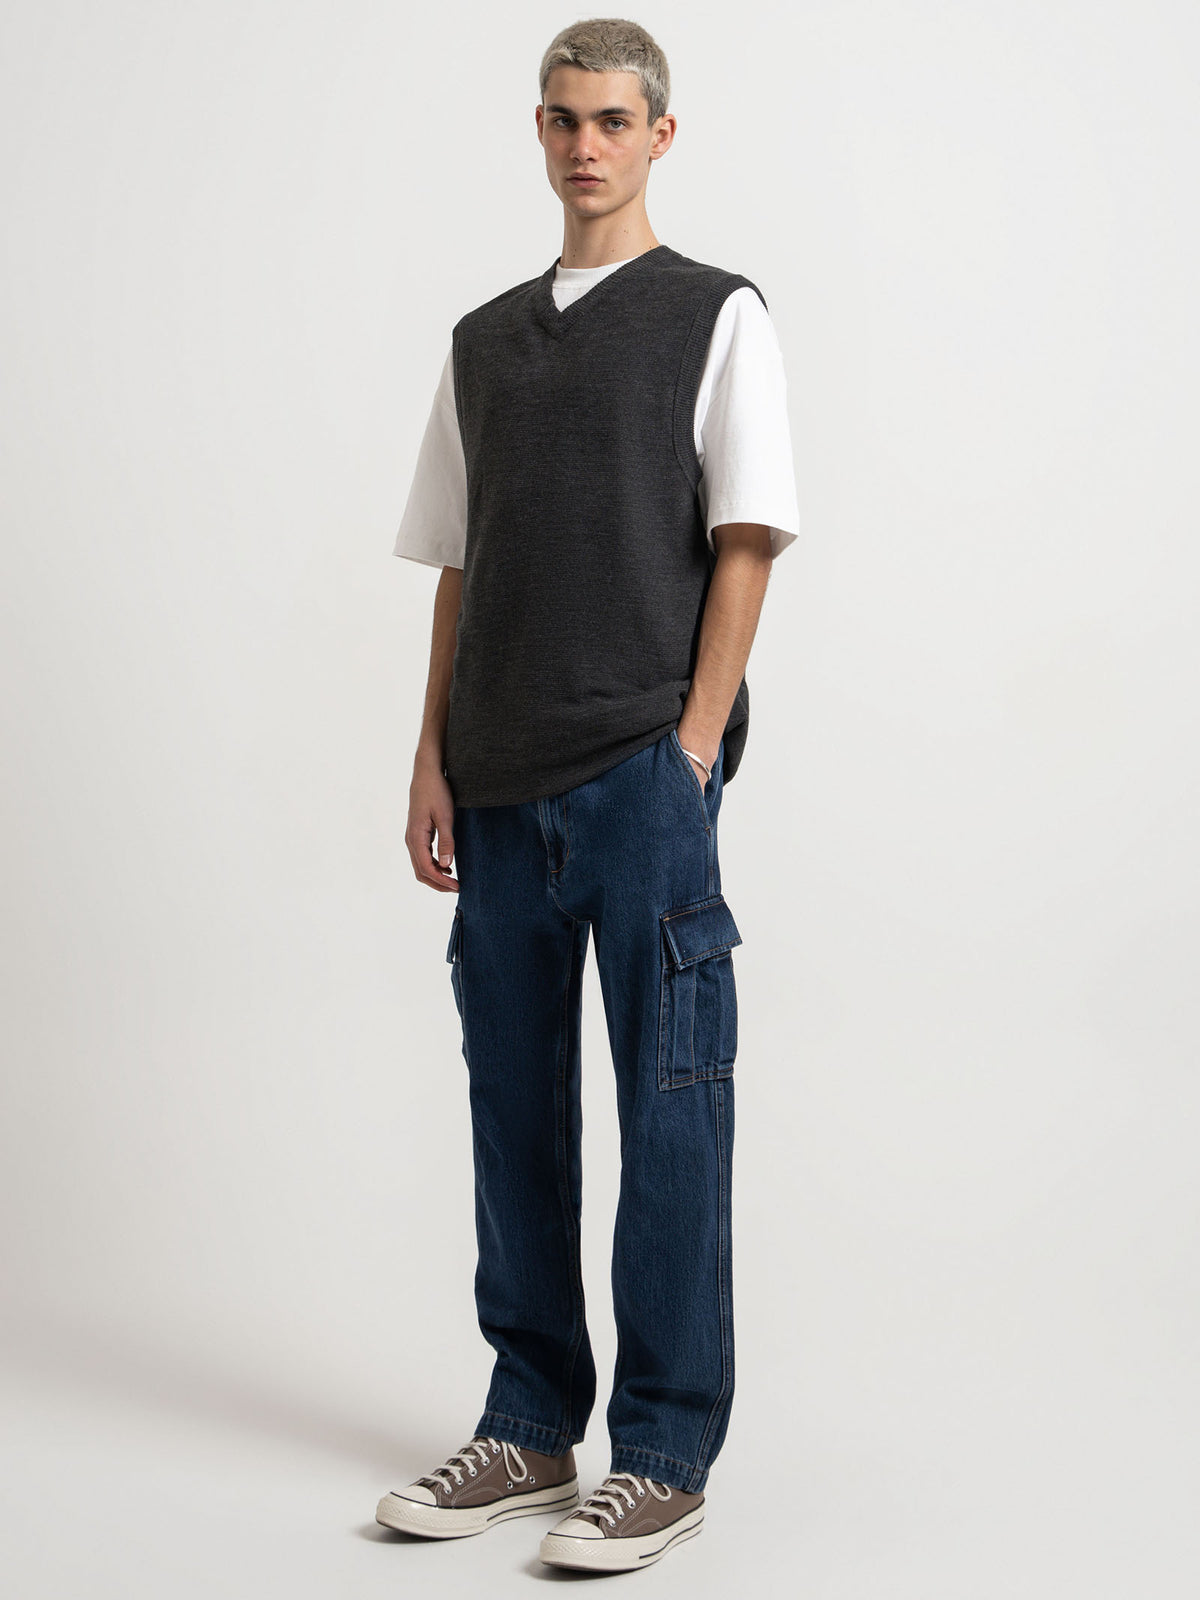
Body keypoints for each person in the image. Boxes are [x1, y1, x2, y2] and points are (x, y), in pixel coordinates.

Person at [375, 17, 799, 1574]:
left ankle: (665, 1452)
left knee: (671, 1112)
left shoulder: (715, 313)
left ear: (659, 134)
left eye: (613, 120)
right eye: (562, 119)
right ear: (538, 129)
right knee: (514, 1110)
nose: (585, 146)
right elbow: (461, 560)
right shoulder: (482, 342)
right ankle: (530, 1422)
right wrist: (430, 752)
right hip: (494, 777)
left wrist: (690, 745)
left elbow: (748, 539)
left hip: (639, 770)